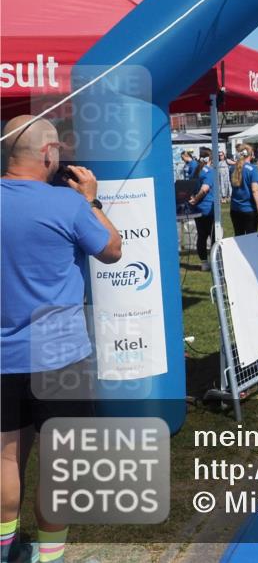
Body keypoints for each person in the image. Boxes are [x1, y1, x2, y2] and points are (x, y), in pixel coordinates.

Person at [1, 116, 122, 563]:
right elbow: (112, 249)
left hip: (4, 357)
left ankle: (5, 548)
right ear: (49, 153)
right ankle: (48, 556)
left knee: (6, 459)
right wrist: (91, 201)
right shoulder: (66, 205)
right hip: (61, 356)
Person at [187, 147, 216, 271]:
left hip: (198, 209)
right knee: (214, 235)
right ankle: (216, 262)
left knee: (202, 235)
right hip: (208, 208)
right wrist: (197, 199)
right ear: (210, 159)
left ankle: (204, 263)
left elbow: (190, 186)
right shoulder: (209, 171)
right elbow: (204, 189)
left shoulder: (195, 170)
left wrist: (193, 199)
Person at [230, 143, 258, 236]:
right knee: (251, 240)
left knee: (238, 238)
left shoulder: (233, 168)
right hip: (249, 210)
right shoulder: (252, 169)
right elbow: (254, 190)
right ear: (250, 154)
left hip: (235, 209)